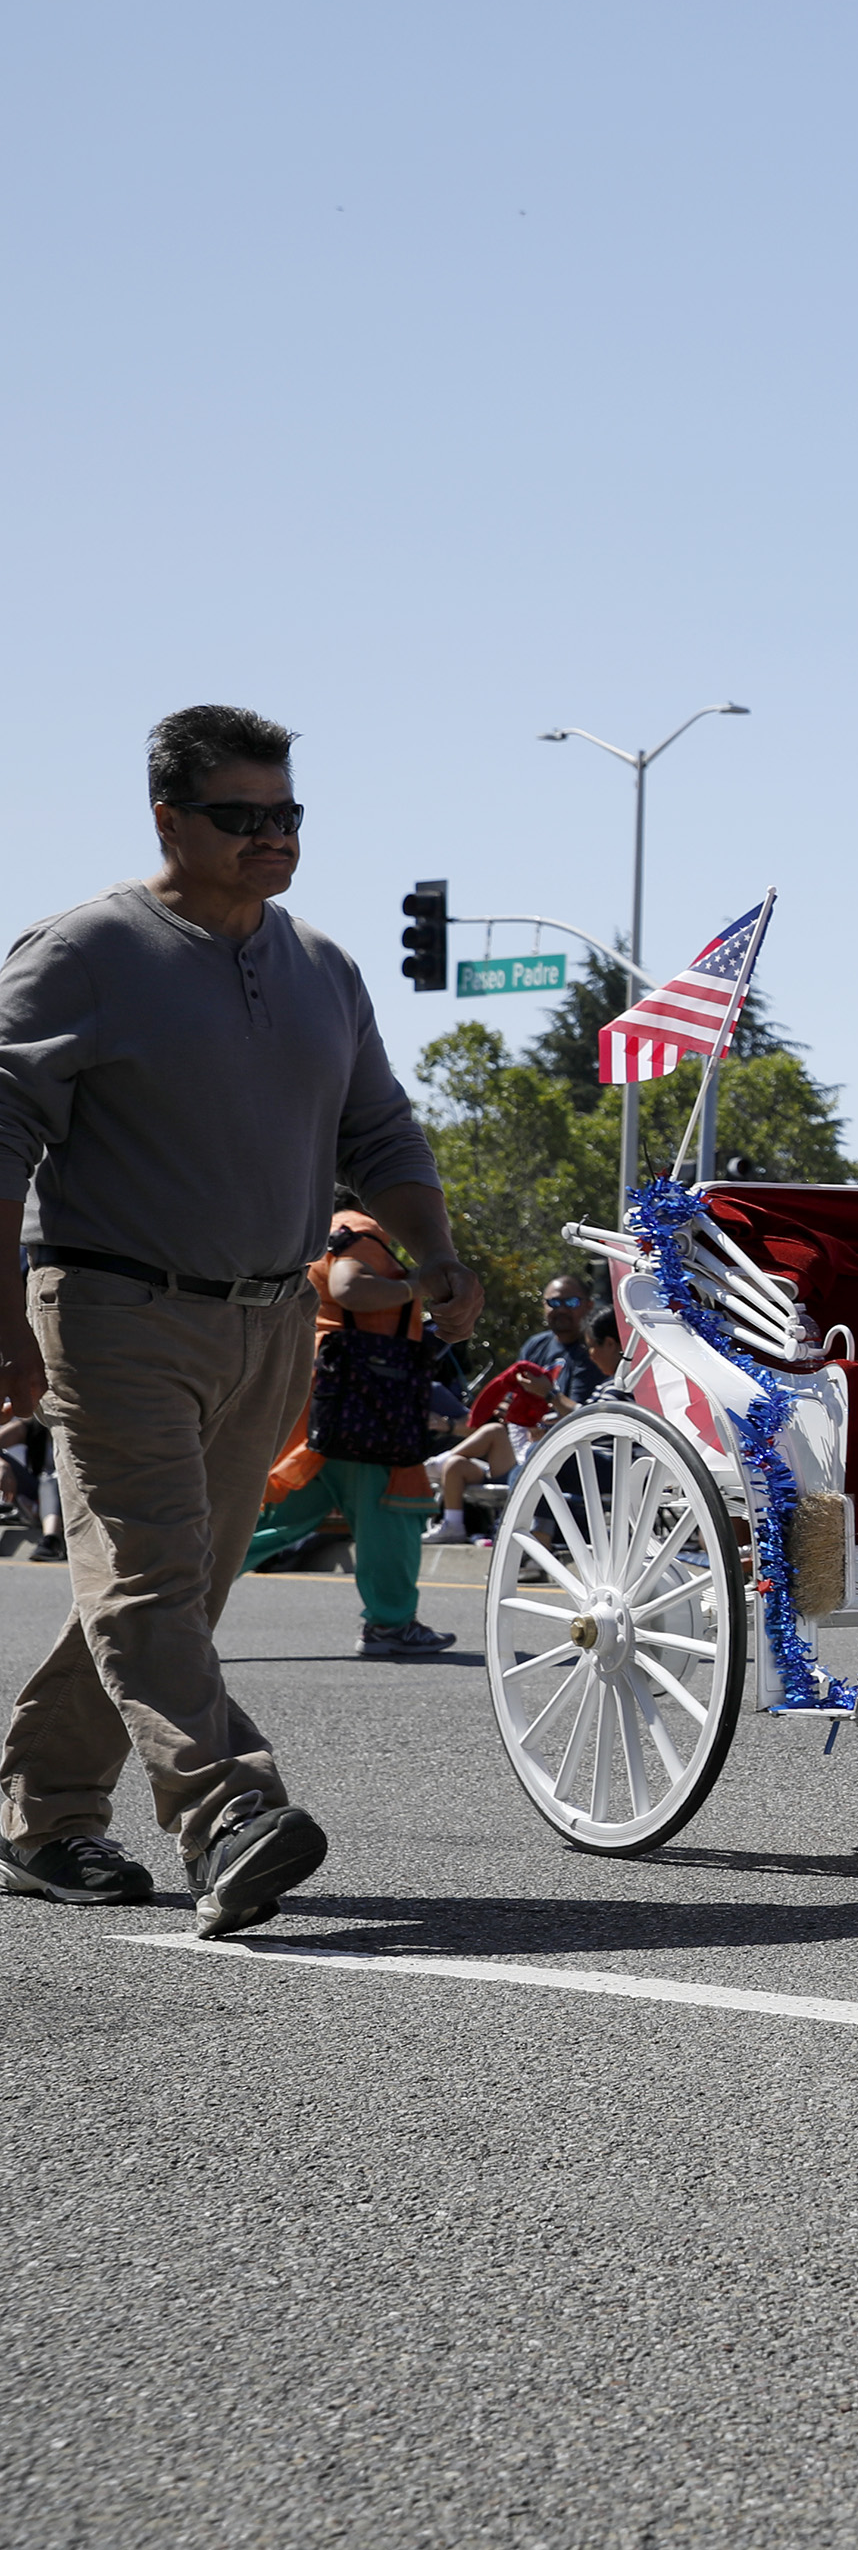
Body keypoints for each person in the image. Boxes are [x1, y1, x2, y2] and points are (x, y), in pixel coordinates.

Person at [0, 705, 480, 1932]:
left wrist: (432, 1251)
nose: (273, 838)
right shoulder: (84, 953)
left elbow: (379, 1132)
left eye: (288, 815)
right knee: (152, 1576)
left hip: (269, 1322)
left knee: (173, 1586)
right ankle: (233, 1813)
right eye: (242, 817)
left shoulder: (321, 968)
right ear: (169, 819)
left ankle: (44, 1818)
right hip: (111, 1308)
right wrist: (5, 1322)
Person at [243, 1187, 462, 1654]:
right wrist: (416, 1285)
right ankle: (392, 1625)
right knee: (391, 1511)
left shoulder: (310, 1235)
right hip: (367, 1400)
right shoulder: (358, 1229)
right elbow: (349, 1287)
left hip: (325, 1395)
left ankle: (174, 1596)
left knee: (276, 1518)